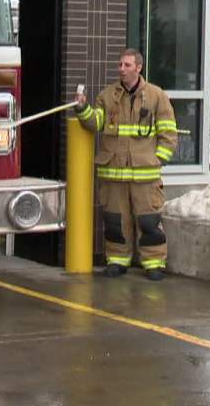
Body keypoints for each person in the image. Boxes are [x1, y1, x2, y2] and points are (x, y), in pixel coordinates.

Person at [73, 49, 178, 281]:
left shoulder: (156, 96)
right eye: (120, 64)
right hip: (114, 174)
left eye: (127, 65)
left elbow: (168, 133)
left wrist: (157, 159)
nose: (121, 69)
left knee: (148, 221)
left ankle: (153, 263)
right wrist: (82, 109)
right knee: (115, 221)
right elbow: (96, 122)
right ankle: (118, 261)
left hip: (145, 175)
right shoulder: (108, 96)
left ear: (138, 68)